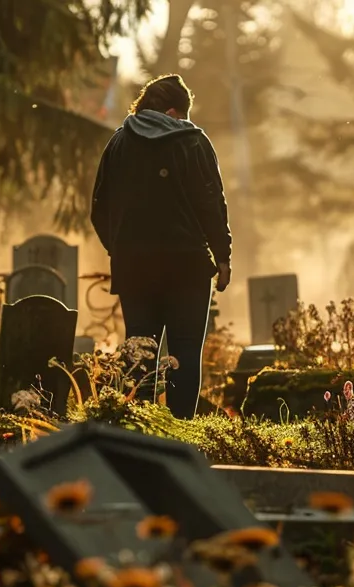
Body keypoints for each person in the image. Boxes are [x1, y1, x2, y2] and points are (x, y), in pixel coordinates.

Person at [90, 74, 232, 419]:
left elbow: (99, 208)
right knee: (183, 352)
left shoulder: (119, 144)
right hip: (187, 267)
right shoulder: (194, 142)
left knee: (139, 353)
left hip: (134, 268)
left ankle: (137, 427)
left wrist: (121, 249)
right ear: (172, 111)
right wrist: (223, 256)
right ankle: (181, 431)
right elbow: (211, 204)